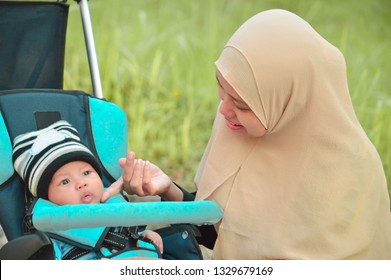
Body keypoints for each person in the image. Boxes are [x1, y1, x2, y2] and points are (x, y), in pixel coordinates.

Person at [106, 9, 391, 259]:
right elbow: (224, 234)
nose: (225, 110)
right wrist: (170, 190)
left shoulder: (349, 174)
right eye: (221, 89)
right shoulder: (241, 127)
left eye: (242, 104)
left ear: (289, 101)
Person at [12, 120, 163, 260]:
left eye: (86, 173)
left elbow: (132, 235)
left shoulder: (116, 208)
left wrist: (146, 236)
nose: (81, 183)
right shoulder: (54, 235)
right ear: (48, 198)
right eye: (65, 181)